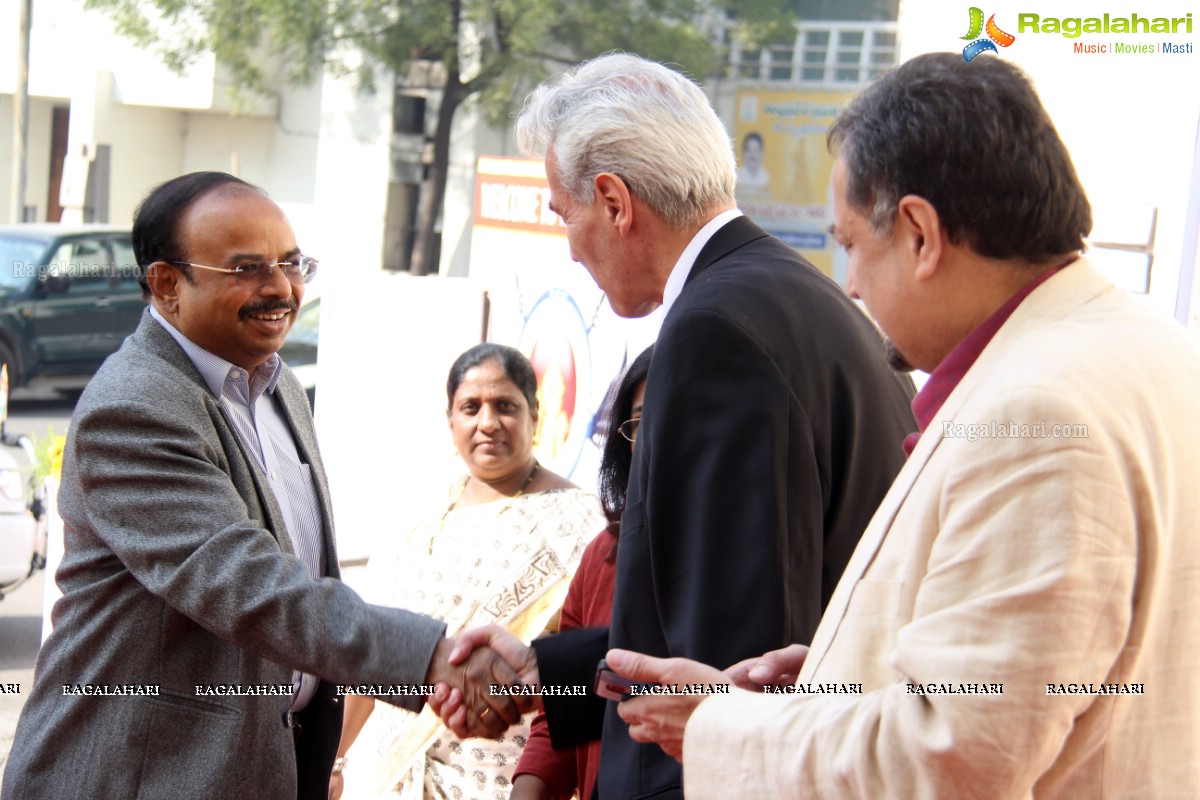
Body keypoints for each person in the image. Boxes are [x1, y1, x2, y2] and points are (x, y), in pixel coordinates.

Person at [608, 52, 1200, 798]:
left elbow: (952, 751)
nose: (849, 283)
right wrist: (839, 674)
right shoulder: (1146, 348)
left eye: (852, 244)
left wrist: (720, 726)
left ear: (920, 233)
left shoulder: (1037, 414)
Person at [435, 53, 917, 800]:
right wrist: (541, 672)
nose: (568, 244)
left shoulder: (714, 329)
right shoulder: (798, 299)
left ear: (615, 201)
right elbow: (724, 619)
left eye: (565, 214)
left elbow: (721, 675)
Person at [0, 172, 524, 800]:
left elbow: (303, 570)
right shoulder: (136, 408)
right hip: (140, 775)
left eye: (291, 262)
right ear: (167, 284)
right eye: (246, 268)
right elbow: (249, 584)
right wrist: (429, 657)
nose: (279, 287)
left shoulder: (278, 387)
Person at [329, 343, 607, 800]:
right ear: (450, 419)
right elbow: (375, 650)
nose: (487, 423)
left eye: (505, 406)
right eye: (471, 408)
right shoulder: (414, 524)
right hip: (392, 781)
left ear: (535, 415)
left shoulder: (582, 525)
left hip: (506, 781)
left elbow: (586, 673)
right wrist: (337, 758)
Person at [510, 344, 654, 800]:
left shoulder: (750, 554)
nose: (655, 439)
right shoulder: (605, 551)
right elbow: (567, 703)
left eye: (676, 414)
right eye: (640, 422)